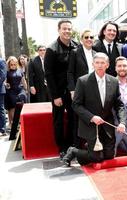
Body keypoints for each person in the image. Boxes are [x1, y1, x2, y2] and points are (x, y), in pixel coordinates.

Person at [62, 52, 126, 166]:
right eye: (97, 63)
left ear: (107, 65)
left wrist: (122, 122)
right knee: (97, 158)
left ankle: (88, 151)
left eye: (103, 63)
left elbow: (119, 104)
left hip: (107, 126)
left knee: (109, 156)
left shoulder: (114, 81)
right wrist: (91, 117)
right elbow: (76, 105)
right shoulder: (83, 81)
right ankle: (74, 151)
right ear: (93, 64)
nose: (100, 65)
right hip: (90, 126)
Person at [44, 19, 78, 159]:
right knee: (58, 121)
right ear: (59, 30)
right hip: (58, 92)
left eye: (69, 29)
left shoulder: (76, 46)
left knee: (73, 119)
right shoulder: (51, 49)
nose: (67, 31)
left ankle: (72, 146)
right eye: (64, 28)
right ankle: (62, 147)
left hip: (73, 91)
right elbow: (48, 74)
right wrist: (55, 96)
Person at [67, 29, 96, 100]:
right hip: (79, 88)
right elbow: (70, 72)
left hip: (94, 88)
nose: (89, 39)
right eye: (86, 37)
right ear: (81, 40)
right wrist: (72, 90)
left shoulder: (96, 53)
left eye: (91, 37)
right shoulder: (75, 52)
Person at [4, 56, 27, 129]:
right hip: (11, 91)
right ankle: (14, 123)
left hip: (20, 90)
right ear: (9, 65)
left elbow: (23, 80)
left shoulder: (20, 70)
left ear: (17, 63)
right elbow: (5, 81)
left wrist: (26, 89)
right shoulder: (7, 72)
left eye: (14, 64)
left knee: (22, 105)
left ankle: (20, 122)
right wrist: (6, 84)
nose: (13, 66)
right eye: (11, 64)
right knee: (13, 107)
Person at [0, 58, 6, 137]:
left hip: (0, 89)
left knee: (0, 109)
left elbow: (3, 75)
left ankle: (2, 129)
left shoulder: (1, 61)